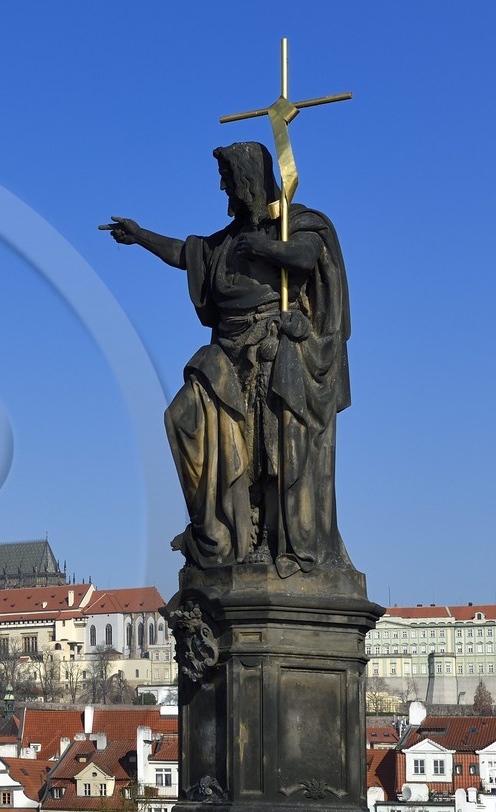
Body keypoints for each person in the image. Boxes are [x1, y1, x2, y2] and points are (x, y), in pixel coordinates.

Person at [102, 141, 351, 577]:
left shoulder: (294, 224)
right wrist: (140, 236)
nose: (223, 189)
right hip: (228, 350)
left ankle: (269, 540)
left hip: (274, 351)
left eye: (228, 181)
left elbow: (307, 256)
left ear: (249, 182)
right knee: (181, 417)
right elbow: (187, 253)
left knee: (269, 449)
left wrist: (262, 248)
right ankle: (214, 530)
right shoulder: (228, 239)